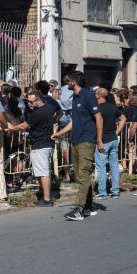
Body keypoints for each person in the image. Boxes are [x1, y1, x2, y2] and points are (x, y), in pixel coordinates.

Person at [52, 71, 103, 221]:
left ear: (73, 82)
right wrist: (59, 133)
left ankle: (79, 208)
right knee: (81, 176)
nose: (66, 83)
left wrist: (99, 140)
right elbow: (74, 121)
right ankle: (88, 206)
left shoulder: (87, 95)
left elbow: (98, 118)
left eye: (68, 80)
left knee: (84, 173)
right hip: (76, 140)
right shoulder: (75, 98)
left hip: (87, 140)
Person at [8, 89, 56, 206]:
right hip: (47, 143)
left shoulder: (37, 114)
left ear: (39, 100)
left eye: (31, 102)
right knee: (42, 171)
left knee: (43, 172)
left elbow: (24, 126)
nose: (29, 104)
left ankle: (47, 199)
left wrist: (11, 127)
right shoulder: (49, 108)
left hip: (40, 144)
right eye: (27, 101)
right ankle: (45, 194)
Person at [94, 88, 123, 200]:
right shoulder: (112, 107)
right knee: (114, 166)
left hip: (103, 140)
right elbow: (123, 118)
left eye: (95, 94)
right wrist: (116, 132)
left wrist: (99, 140)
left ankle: (102, 192)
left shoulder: (97, 109)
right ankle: (115, 191)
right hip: (113, 139)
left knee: (101, 167)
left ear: (99, 95)